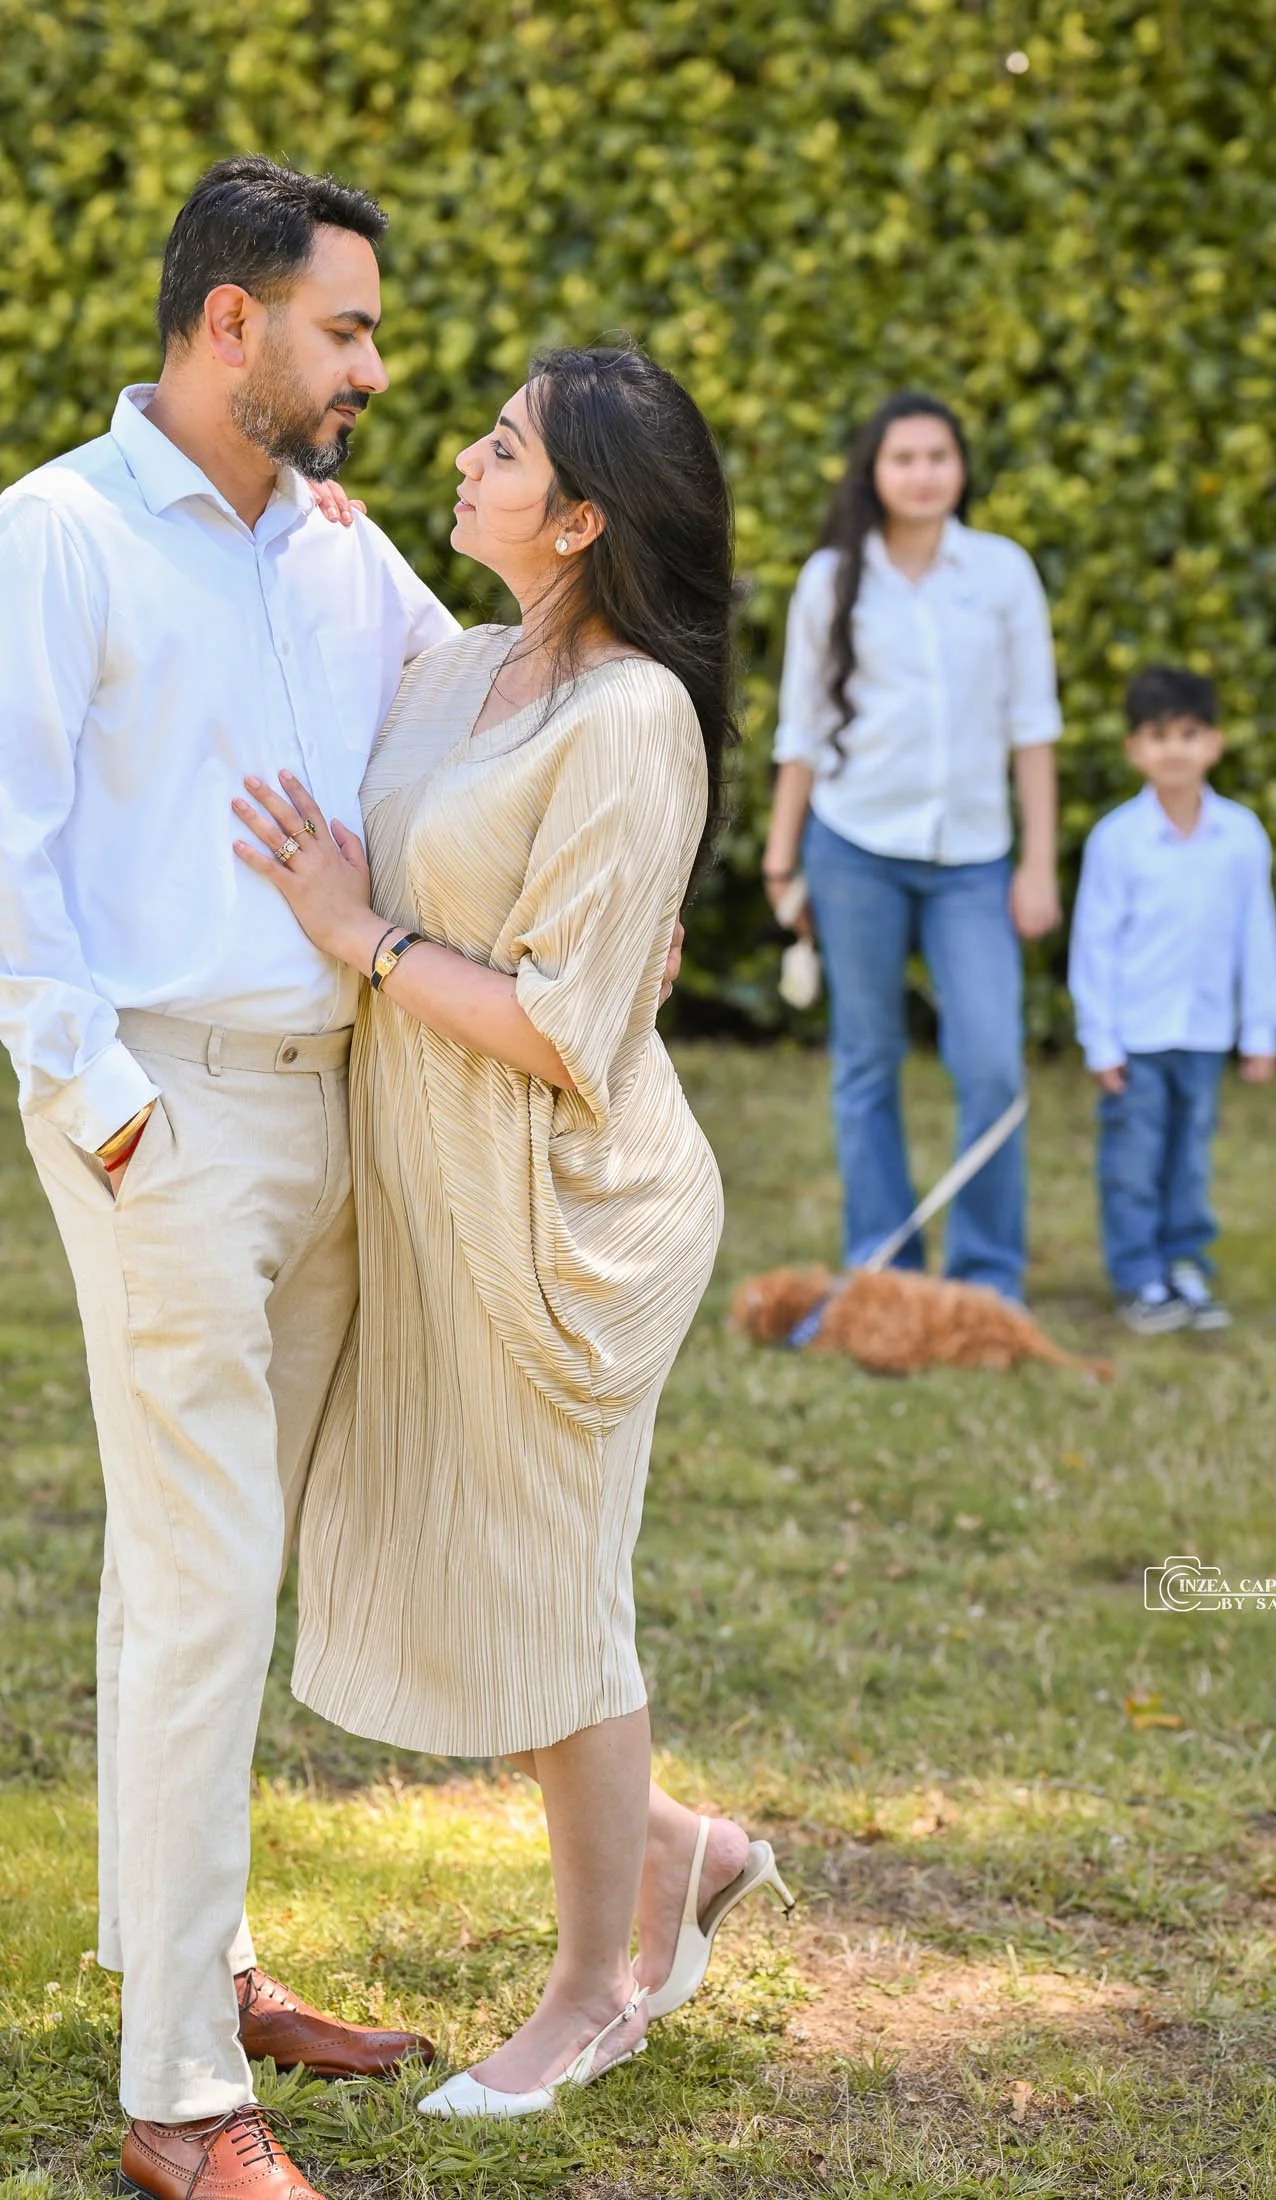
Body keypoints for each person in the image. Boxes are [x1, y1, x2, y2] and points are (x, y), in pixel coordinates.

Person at [0, 158, 682, 2199]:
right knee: (208, 1577)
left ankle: (193, 1959)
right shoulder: (54, 536)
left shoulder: (331, 545)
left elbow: (486, 713)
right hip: (170, 1113)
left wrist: (619, 899)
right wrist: (109, 1111)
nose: (376, 369)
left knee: (195, 1567)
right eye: (348, 329)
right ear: (235, 327)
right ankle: (183, 2096)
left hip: (345, 1112)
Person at [232, 346, 792, 2123]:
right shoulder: (466, 660)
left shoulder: (631, 719)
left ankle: (595, 1989)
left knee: (556, 1599)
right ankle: (677, 1846)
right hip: (439, 1189)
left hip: (570, 1218)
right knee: (484, 1569)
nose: (461, 458)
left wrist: (360, 935)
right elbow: (360, 578)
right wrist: (308, 526)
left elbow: (567, 1023)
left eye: (502, 447)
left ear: (578, 518)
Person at [762, 392, 1062, 1303]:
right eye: (904, 458)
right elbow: (799, 734)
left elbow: (1033, 728)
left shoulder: (1003, 574)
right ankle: (884, 1269)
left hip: (974, 860)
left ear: (960, 468)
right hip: (853, 850)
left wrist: (1039, 864)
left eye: (939, 455)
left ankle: (985, 1277)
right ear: (874, 472)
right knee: (865, 1060)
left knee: (992, 1063)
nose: (924, 472)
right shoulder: (830, 579)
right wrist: (782, 862)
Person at [1067, 665, 1276, 1334]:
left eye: (1189, 734)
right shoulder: (1117, 840)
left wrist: (1259, 1029)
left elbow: (1257, 935)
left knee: (1188, 1156)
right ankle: (1139, 1275)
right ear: (1133, 748)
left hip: (1202, 1034)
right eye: (1157, 735)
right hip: (1136, 1036)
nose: (1174, 749)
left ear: (1214, 743)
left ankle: (1184, 1262)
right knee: (1132, 1160)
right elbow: (1094, 946)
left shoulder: (1241, 837)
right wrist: (1099, 1038)